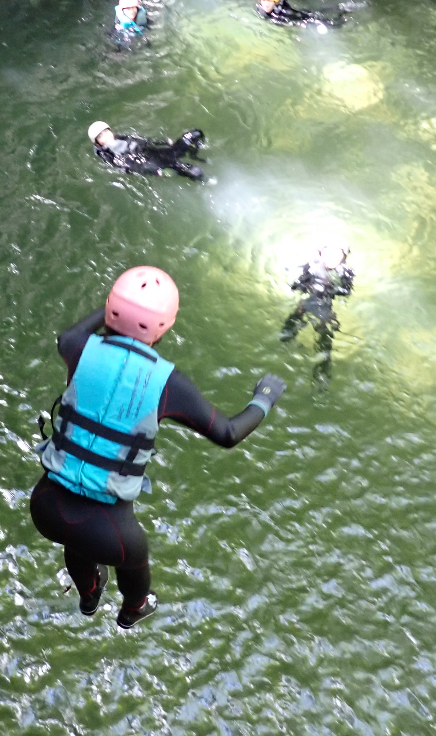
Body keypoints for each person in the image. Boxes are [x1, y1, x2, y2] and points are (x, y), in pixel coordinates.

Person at [29, 267, 289, 629]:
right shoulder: (168, 383)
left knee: (77, 545)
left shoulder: (77, 347)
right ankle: (132, 610)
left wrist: (110, 311)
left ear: (109, 310)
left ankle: (89, 596)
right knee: (132, 566)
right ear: (164, 327)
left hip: (45, 507)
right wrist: (264, 399)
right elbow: (227, 433)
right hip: (111, 531)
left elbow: (69, 335)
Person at [281, 245, 355, 383]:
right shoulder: (312, 266)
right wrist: (302, 287)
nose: (331, 259)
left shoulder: (346, 272)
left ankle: (323, 365)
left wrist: (333, 289)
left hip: (325, 303)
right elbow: (298, 282)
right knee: (300, 309)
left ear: (343, 258)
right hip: (310, 298)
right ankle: (286, 335)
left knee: (326, 328)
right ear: (321, 254)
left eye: (336, 255)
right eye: (329, 254)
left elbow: (347, 291)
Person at [87, 121, 206, 181]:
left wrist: (163, 142)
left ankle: (194, 155)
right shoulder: (106, 154)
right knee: (195, 171)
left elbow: (143, 141)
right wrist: (154, 171)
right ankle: (208, 183)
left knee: (195, 134)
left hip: (155, 152)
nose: (107, 136)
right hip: (152, 164)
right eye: (101, 136)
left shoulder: (120, 138)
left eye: (106, 132)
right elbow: (127, 167)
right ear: (97, 143)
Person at [256, 0, 345, 28]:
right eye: (263, 1)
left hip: (299, 17)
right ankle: (337, 9)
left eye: (269, 1)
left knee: (318, 19)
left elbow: (301, 19)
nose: (266, 4)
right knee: (315, 12)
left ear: (275, 2)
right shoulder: (260, 8)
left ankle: (342, 17)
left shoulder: (285, 13)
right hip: (297, 13)